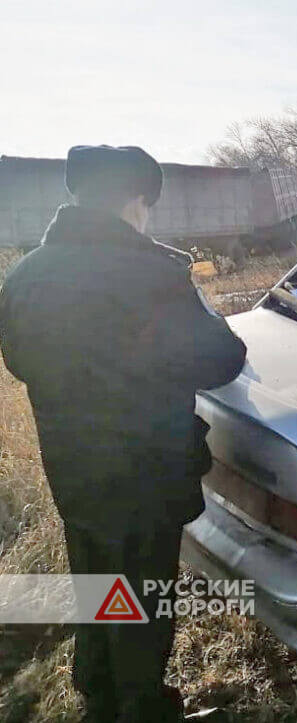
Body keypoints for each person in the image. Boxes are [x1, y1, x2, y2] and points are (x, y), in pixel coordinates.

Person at [0, 145, 247, 722]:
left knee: (97, 583)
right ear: (136, 202)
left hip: (73, 471)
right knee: (142, 600)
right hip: (144, 476)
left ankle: (99, 693)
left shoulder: (26, 275)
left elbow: (19, 362)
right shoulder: (150, 276)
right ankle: (142, 709)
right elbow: (221, 360)